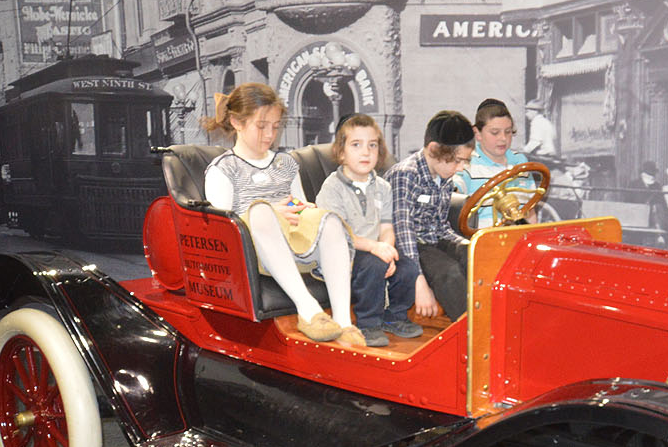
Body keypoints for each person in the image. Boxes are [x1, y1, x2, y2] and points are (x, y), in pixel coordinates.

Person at [202, 83, 364, 346]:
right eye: (261, 126)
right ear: (237, 122)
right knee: (261, 212)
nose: (269, 135)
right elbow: (224, 227)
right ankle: (308, 309)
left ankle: (344, 321)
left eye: (275, 127)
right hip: (255, 250)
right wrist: (271, 211)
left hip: (295, 242)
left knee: (329, 219)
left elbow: (298, 203)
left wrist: (303, 209)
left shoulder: (285, 162)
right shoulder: (223, 168)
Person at [315, 114, 422, 348]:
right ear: (341, 152)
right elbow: (340, 235)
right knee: (373, 265)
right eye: (356, 145)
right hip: (342, 255)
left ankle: (394, 316)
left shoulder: (383, 188)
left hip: (375, 251)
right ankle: (367, 324)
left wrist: (388, 250)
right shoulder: (331, 188)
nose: (366, 152)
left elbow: (387, 227)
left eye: (372, 145)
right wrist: (376, 249)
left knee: (408, 267)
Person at [388, 111, 474, 320]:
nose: (461, 168)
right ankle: (473, 333)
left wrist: (465, 244)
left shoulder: (444, 175)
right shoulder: (406, 174)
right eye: (457, 161)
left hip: (432, 240)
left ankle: (493, 318)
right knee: (450, 273)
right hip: (406, 247)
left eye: (465, 161)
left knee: (475, 256)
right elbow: (403, 234)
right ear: (434, 149)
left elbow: (441, 225)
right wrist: (418, 281)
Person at [457, 98, 538, 228]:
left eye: (508, 132)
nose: (503, 138)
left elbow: (530, 209)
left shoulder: (520, 162)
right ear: (477, 133)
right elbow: (453, 198)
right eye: (495, 133)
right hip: (484, 241)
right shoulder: (467, 163)